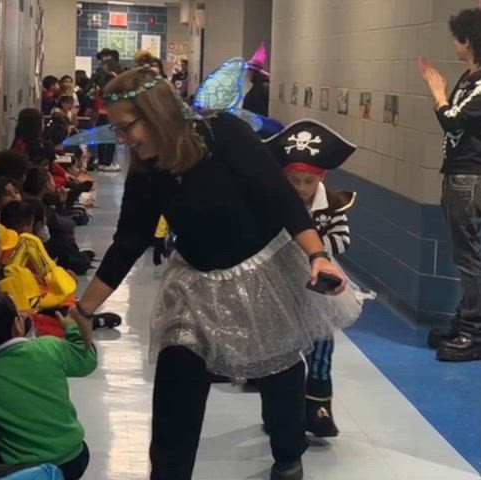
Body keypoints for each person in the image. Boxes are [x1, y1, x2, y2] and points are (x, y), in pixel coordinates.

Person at [71, 67, 361, 480]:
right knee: (177, 377)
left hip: (261, 273)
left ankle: (288, 453)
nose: (121, 138)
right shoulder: (146, 168)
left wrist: (317, 254)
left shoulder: (225, 135)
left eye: (125, 127)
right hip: (195, 282)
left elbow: (281, 199)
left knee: (277, 370)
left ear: (155, 113)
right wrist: (84, 308)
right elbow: (129, 241)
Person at [418, 8, 481, 362]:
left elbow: (453, 121)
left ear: (468, 41)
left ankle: (477, 332)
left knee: (468, 257)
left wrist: (437, 92)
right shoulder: (471, 78)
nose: (453, 44)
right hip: (458, 174)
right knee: (462, 253)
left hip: (471, 177)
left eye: (457, 38)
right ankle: (465, 319)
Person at [265, 119, 358, 438]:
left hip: (321, 287)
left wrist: (314, 248)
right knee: (283, 347)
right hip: (281, 283)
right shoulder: (275, 202)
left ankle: (318, 407)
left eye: (307, 182)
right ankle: (279, 410)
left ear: (321, 178)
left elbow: (343, 240)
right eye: (294, 181)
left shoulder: (332, 205)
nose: (301, 188)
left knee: (322, 344)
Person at [0, 290, 95, 479]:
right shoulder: (48, 347)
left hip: (27, 468)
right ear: (17, 324)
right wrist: (72, 328)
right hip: (73, 457)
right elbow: (86, 360)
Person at [242, 42, 270, 116]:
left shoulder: (259, 90)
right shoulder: (264, 87)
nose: (248, 74)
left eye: (249, 71)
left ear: (254, 73)